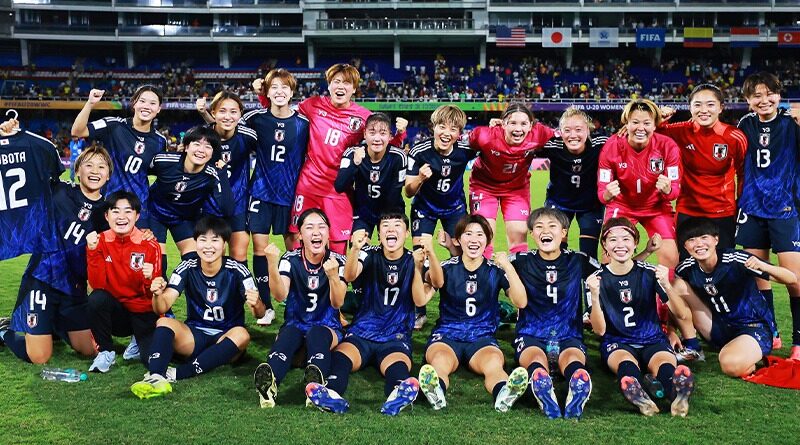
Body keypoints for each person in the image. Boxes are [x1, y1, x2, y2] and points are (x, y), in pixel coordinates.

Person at [130, 216, 266, 398]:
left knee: (242, 334)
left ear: (224, 244)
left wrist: (256, 303)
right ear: (195, 242)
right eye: (203, 240)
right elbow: (161, 306)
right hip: (194, 337)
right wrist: (157, 294)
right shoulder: (187, 267)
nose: (208, 246)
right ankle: (156, 375)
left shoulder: (237, 270)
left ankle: (181, 372)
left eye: (215, 240)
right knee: (164, 323)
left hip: (225, 339)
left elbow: (260, 314)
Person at [306, 213, 425, 415]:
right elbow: (350, 275)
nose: (391, 229)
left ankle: (397, 395)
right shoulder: (369, 253)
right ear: (379, 235)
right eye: (385, 225)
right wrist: (354, 249)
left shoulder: (413, 259)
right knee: (341, 360)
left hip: (395, 334)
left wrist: (418, 266)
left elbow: (424, 296)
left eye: (397, 225)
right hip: (363, 330)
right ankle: (331, 394)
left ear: (406, 233)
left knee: (397, 367)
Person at [281, 63, 406, 255]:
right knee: (298, 238)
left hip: (340, 188)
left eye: (347, 83)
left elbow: (382, 142)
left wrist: (399, 135)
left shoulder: (364, 116)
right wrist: (264, 99)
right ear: (329, 85)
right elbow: (284, 118)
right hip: (309, 185)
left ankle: (336, 283)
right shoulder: (311, 105)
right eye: (336, 81)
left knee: (338, 244)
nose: (341, 86)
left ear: (354, 88)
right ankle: (301, 282)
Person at [1, 146, 111, 364]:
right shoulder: (58, 191)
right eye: (88, 165)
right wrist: (11, 137)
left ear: (108, 174)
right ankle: (4, 330)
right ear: (77, 170)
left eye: (101, 166)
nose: (94, 170)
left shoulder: (109, 211)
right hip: (42, 281)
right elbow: (29, 164)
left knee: (89, 349)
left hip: (74, 289)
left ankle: (53, 323)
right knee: (40, 357)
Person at [417, 215, 530, 412]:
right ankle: (436, 391)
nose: (474, 240)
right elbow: (422, 299)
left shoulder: (495, 270)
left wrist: (508, 266)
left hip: (482, 337)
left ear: (487, 240)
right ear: (458, 240)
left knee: (494, 364)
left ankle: (504, 393)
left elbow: (521, 302)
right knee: (440, 362)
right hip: (447, 335)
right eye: (468, 234)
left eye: (480, 235)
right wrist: (425, 264)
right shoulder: (446, 267)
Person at [586, 217, 694, 417]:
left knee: (665, 367)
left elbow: (680, 313)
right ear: (604, 245)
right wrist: (594, 294)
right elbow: (599, 330)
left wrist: (667, 285)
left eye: (626, 239)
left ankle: (677, 392)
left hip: (652, 338)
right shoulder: (596, 280)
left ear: (635, 243)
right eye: (613, 240)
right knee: (625, 364)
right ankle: (638, 392)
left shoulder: (651, 273)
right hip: (617, 341)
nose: (620, 245)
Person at [673, 217, 796, 377]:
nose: (699, 244)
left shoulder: (736, 260)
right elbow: (674, 299)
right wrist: (670, 329)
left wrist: (764, 266)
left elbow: (791, 278)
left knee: (730, 365)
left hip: (752, 327)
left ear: (716, 239)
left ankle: (745, 354)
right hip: (716, 327)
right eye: (691, 240)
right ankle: (693, 346)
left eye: (704, 237)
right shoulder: (686, 268)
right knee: (676, 285)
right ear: (685, 246)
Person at [509, 207, 600, 419]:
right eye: (538, 227)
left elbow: (613, 271)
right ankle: (549, 381)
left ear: (564, 232)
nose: (544, 231)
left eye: (552, 226)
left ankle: (568, 379)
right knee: (537, 357)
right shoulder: (521, 260)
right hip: (532, 334)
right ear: (531, 234)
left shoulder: (579, 260)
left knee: (569, 359)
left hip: (567, 334)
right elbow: (482, 266)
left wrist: (645, 254)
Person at [253, 209, 346, 408]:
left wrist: (333, 277)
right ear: (300, 235)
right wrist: (271, 264)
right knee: (288, 337)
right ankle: (269, 387)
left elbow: (338, 302)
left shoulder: (337, 261)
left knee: (317, 334)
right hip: (296, 323)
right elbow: (280, 295)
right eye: (309, 227)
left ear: (329, 232)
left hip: (327, 326)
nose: (316, 232)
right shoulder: (290, 259)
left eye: (321, 227)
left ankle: (316, 388)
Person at [736, 72, 800, 359]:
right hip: (751, 207)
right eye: (756, 95)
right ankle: (770, 330)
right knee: (757, 273)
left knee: (794, 279)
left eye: (769, 93)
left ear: (779, 95)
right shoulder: (745, 124)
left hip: (785, 208)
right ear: (748, 101)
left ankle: (798, 340)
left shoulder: (791, 124)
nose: (763, 100)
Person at [245, 69, 310, 326]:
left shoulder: (304, 124)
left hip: (291, 197)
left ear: (292, 92)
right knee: (260, 250)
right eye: (274, 87)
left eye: (285, 87)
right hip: (260, 193)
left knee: (295, 249)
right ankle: (267, 305)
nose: (280, 91)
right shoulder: (255, 119)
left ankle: (297, 302)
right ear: (267, 92)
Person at [658, 84, 747, 254]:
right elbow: (646, 132)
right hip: (688, 210)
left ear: (721, 107)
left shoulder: (734, 137)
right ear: (690, 107)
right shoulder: (681, 131)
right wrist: (659, 118)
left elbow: (743, 174)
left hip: (722, 212)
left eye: (710, 104)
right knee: (686, 268)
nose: (703, 110)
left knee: (723, 267)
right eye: (697, 104)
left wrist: (739, 205)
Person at [597, 98, 681, 270]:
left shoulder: (668, 146)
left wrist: (668, 189)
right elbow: (602, 194)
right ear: (626, 124)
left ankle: (663, 297)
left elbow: (674, 191)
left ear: (655, 125)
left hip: (656, 207)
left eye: (646, 123)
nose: (640, 128)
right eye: (635, 122)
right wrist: (607, 194)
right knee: (608, 258)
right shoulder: (611, 146)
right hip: (622, 206)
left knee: (671, 258)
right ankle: (618, 295)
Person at [85, 191, 162, 373]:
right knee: (96, 298)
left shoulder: (150, 244)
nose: (121, 217)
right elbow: (96, 285)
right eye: (115, 211)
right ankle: (106, 351)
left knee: (151, 361)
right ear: (107, 215)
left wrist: (149, 278)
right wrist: (92, 251)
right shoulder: (100, 241)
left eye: (128, 211)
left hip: (143, 313)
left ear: (137, 216)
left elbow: (153, 293)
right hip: (116, 314)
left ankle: (138, 340)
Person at [71, 86, 167, 231]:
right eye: (142, 101)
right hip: (107, 204)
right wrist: (90, 103)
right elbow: (77, 131)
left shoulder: (160, 141)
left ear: (159, 109)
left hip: (138, 209)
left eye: (153, 103)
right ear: (134, 103)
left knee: (135, 253)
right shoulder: (114, 125)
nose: (147, 106)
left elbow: (157, 174)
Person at [468, 103, 555, 257]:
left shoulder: (540, 133)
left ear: (531, 126)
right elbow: (462, 144)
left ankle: (517, 277)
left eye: (523, 123)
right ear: (503, 124)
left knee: (519, 234)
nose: (518, 129)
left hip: (516, 189)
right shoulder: (485, 136)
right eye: (513, 123)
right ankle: (484, 278)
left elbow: (568, 136)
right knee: (482, 234)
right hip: (484, 187)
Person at [147, 125, 233, 256]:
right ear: (186, 147)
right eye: (197, 144)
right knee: (157, 258)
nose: (201, 150)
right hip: (155, 214)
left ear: (212, 154)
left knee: (193, 259)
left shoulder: (212, 175)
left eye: (208, 147)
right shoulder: (164, 160)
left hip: (184, 218)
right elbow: (140, 174)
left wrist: (222, 174)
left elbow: (227, 209)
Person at [406, 105, 476, 257]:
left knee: (460, 255)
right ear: (434, 127)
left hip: (454, 209)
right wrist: (420, 178)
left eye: (453, 129)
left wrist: (494, 129)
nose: (446, 133)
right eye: (442, 127)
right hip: (424, 209)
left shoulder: (465, 150)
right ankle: (425, 281)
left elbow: (490, 145)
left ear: (459, 133)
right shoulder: (418, 152)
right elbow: (408, 192)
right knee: (420, 256)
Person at [198, 92, 258, 264]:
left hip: (239, 204)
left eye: (233, 111)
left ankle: (240, 291)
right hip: (209, 205)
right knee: (212, 256)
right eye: (222, 111)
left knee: (238, 255)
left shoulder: (248, 136)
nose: (228, 116)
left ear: (240, 114)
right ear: (214, 112)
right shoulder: (202, 136)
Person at [540, 108, 607, 258]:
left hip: (590, 206)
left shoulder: (601, 144)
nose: (573, 135)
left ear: (588, 131)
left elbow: (626, 141)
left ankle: (588, 281)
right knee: (555, 252)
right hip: (558, 203)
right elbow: (524, 140)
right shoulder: (552, 146)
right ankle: (560, 281)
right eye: (567, 130)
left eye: (578, 129)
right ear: (560, 132)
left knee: (588, 256)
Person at [334, 113, 407, 239]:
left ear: (390, 136)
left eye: (382, 133)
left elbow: (395, 193)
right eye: (372, 133)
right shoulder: (353, 153)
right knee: (358, 249)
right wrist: (355, 163)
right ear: (364, 134)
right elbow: (339, 186)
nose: (377, 138)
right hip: (362, 214)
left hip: (391, 213)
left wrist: (385, 225)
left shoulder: (398, 157)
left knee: (390, 253)